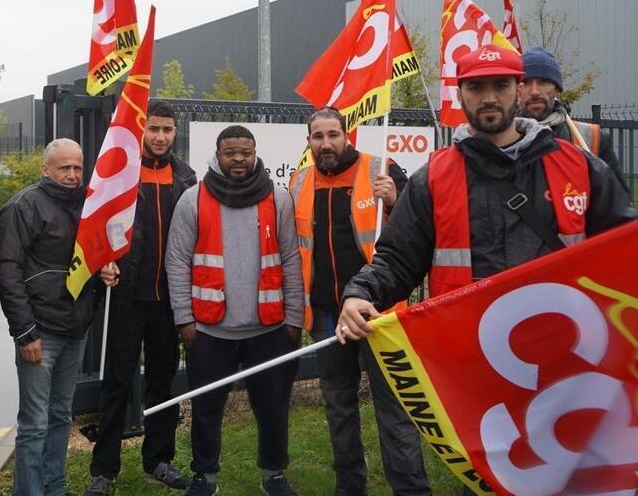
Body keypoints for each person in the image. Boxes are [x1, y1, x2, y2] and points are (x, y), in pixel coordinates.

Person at [338, 44, 636, 339]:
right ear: (460, 96)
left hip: (567, 343)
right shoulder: (432, 179)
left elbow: (624, 245)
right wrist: (360, 293)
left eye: (501, 86)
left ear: (518, 91)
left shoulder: (579, 166)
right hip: (470, 353)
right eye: (476, 87)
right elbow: (398, 259)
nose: (489, 98)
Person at [288, 108, 431, 496]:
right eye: (318, 137)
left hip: (379, 314)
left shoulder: (381, 169)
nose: (326, 143)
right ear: (309, 142)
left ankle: (411, 489)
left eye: (333, 134)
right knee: (338, 409)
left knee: (395, 411)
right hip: (327, 317)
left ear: (347, 134)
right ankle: (350, 487)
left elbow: (414, 234)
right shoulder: (299, 182)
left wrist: (396, 198)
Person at [165, 125, 303, 496]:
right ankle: (204, 477)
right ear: (218, 154)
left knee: (273, 410)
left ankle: (274, 474)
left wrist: (294, 318)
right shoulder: (193, 199)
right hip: (210, 332)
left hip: (268, 328)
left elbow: (290, 259)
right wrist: (184, 320)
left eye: (246, 151)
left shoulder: (278, 199)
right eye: (231, 152)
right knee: (206, 410)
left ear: (255, 152)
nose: (239, 158)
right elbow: (176, 262)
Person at [84, 100, 197, 495]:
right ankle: (104, 469)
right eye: (154, 129)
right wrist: (102, 262)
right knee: (116, 382)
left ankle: (159, 460)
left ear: (174, 132)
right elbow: (93, 224)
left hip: (169, 297)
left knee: (163, 383)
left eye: (167, 129)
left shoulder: (186, 177)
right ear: (141, 131)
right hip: (127, 296)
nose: (161, 137)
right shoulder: (119, 174)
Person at [0, 138, 101, 496]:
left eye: (77, 167)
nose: (72, 175)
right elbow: (7, 271)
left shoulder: (89, 204)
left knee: (60, 417)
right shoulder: (23, 207)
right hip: (40, 332)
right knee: (35, 424)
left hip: (76, 329)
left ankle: (54, 488)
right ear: (45, 169)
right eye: (64, 168)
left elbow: (93, 254)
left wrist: (106, 270)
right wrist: (25, 332)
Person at [518, 46, 630, 194]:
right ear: (516, 89)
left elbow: (619, 205)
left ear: (557, 88)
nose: (534, 92)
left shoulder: (591, 138)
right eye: (526, 82)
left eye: (543, 82)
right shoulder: (502, 140)